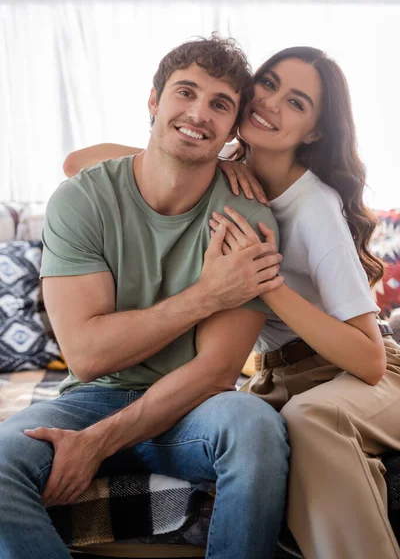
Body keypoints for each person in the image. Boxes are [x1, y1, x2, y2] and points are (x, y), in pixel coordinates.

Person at [67, 46, 400, 559]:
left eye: (296, 102)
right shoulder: (224, 173)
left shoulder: (313, 207)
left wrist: (266, 284)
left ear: (313, 131)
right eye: (267, 84)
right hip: (274, 376)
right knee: (249, 438)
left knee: (311, 423)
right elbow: (77, 164)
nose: (269, 102)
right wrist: (209, 155)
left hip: (353, 373)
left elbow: (370, 359)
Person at [0, 36, 291, 559]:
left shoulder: (247, 218)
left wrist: (98, 444)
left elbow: (216, 372)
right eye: (186, 93)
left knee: (256, 428)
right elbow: (88, 356)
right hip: (90, 399)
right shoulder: (83, 199)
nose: (199, 114)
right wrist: (206, 294)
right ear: (154, 101)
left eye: (220, 104)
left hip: (193, 408)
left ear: (232, 130)